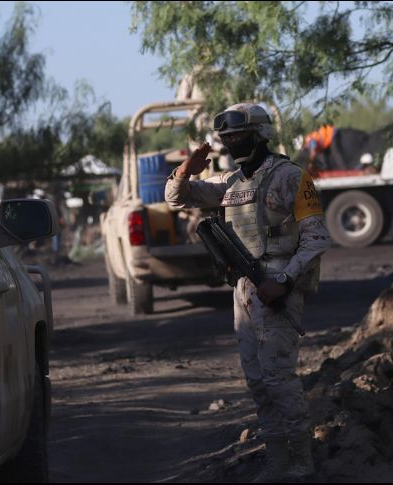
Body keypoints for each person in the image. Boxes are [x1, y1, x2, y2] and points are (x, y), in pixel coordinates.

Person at [164, 103, 331, 482]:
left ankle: (302, 460)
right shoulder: (229, 183)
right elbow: (176, 198)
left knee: (278, 377)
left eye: (239, 136)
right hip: (243, 290)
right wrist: (186, 170)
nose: (232, 143)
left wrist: (285, 280)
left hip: (277, 288)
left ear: (260, 135)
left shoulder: (291, 177)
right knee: (256, 380)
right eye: (227, 138)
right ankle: (277, 461)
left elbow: (317, 238)